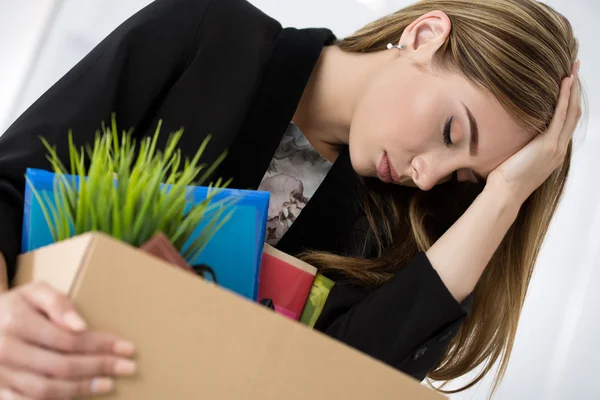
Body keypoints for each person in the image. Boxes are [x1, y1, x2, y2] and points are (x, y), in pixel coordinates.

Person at [0, 0, 581, 398]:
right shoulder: (207, 30)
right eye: (453, 133)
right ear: (423, 36)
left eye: (463, 178)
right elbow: (10, 186)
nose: (428, 177)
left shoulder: (405, 230)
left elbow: (341, 382)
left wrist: (504, 195)